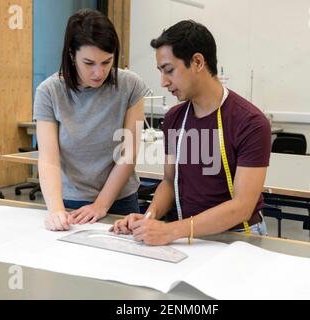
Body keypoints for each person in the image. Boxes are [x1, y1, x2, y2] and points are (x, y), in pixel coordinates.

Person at [111, 20, 271, 245]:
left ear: (197, 62)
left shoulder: (250, 122)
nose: (163, 82)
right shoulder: (175, 118)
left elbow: (242, 207)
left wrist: (170, 231)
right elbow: (169, 181)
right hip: (187, 234)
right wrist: (149, 219)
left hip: (238, 237)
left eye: (169, 70)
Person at [34, 9, 149, 231]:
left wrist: (101, 205)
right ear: (71, 54)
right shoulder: (49, 92)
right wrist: (56, 210)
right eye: (89, 63)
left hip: (120, 201)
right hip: (69, 203)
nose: (99, 72)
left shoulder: (130, 85)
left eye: (107, 62)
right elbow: (49, 158)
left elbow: (128, 153)